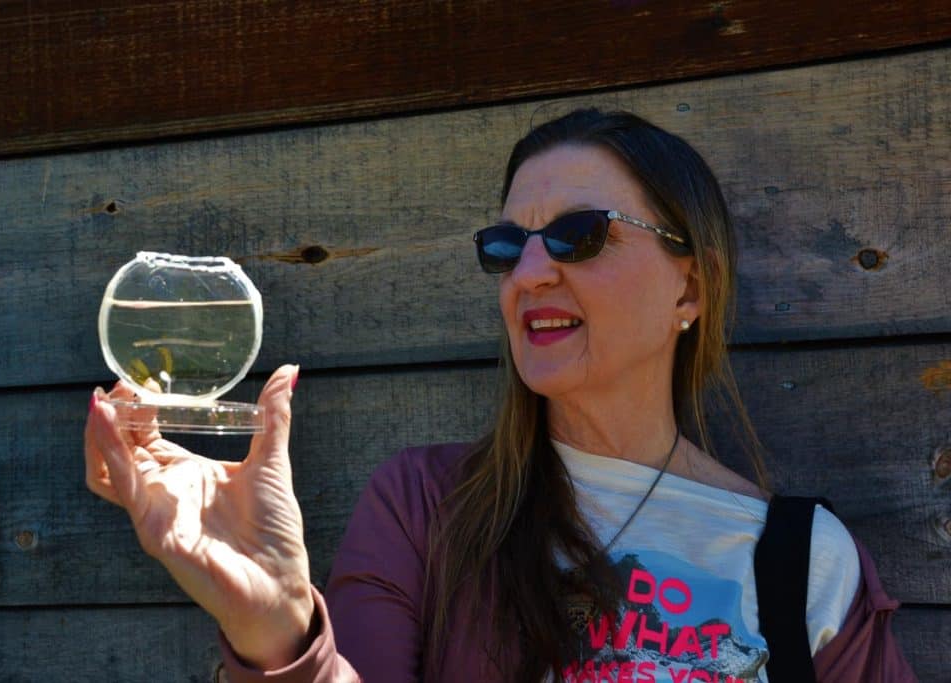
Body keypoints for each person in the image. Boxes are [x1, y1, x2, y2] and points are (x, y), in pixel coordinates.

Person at [84, 109, 915, 682]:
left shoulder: (806, 561)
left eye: (578, 235)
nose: (529, 271)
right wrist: (276, 628)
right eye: (506, 246)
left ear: (690, 288)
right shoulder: (425, 506)